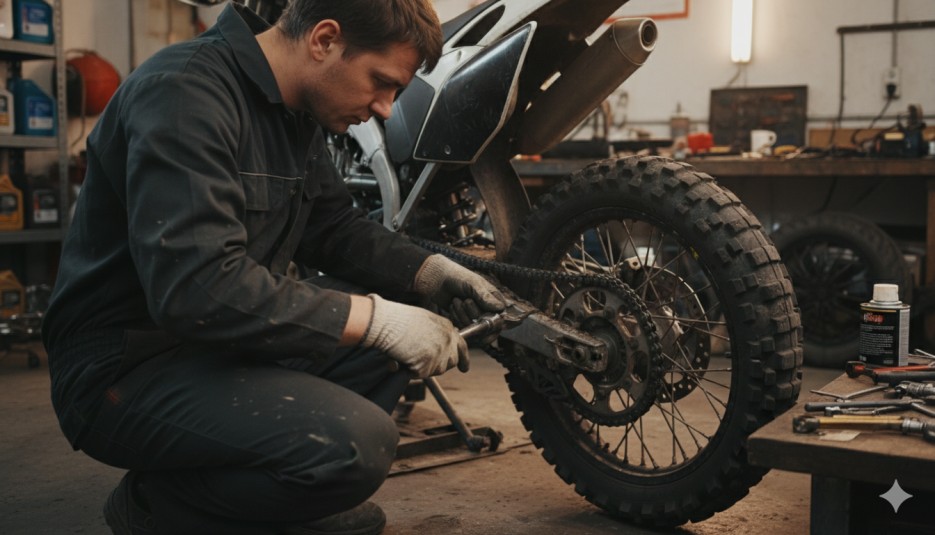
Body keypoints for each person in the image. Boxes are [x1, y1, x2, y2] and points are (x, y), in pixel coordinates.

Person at [41, 1, 505, 534]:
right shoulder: (184, 93)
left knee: (399, 316)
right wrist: (376, 320)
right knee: (356, 444)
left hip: (210, 346)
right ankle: (161, 504)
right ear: (325, 40)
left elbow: (334, 228)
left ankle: (256, 495)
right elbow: (198, 288)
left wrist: (430, 272)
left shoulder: (292, 111)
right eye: (381, 82)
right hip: (124, 371)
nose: (383, 108)